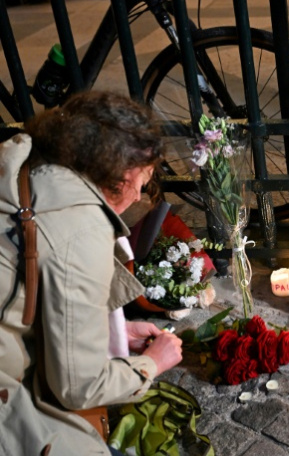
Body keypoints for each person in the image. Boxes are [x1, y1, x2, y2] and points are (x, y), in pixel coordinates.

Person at [0, 91, 183, 455]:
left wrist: (112, 330)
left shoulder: (26, 166)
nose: (138, 197)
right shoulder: (82, 227)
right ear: (121, 173)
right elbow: (78, 385)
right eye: (143, 183)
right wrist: (150, 364)